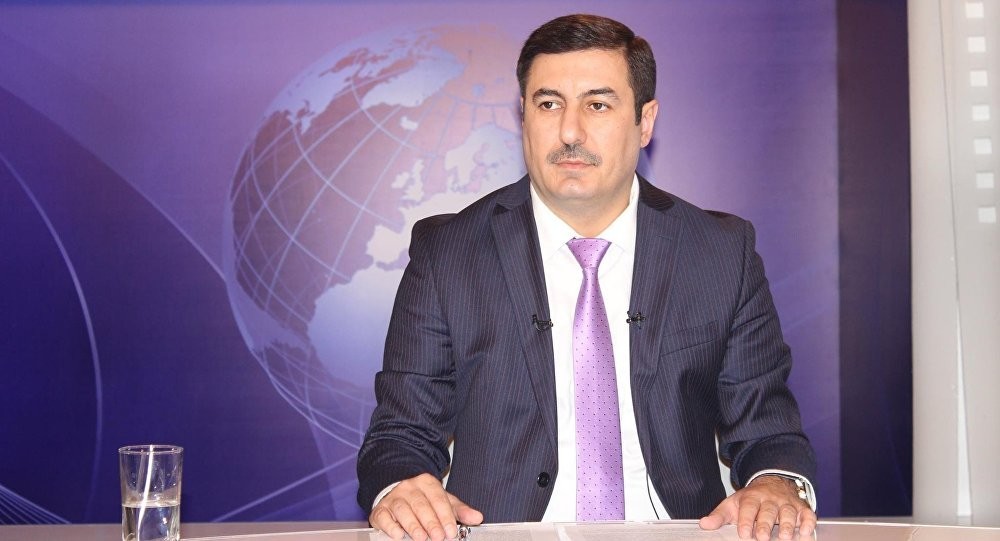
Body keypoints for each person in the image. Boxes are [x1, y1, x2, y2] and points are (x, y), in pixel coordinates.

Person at [357, 13, 817, 541]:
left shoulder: (719, 252)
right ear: (523, 115)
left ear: (645, 121)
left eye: (597, 105)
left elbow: (768, 431)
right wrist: (401, 487)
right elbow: (400, 435)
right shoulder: (449, 253)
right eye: (548, 104)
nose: (569, 132)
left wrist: (776, 483)